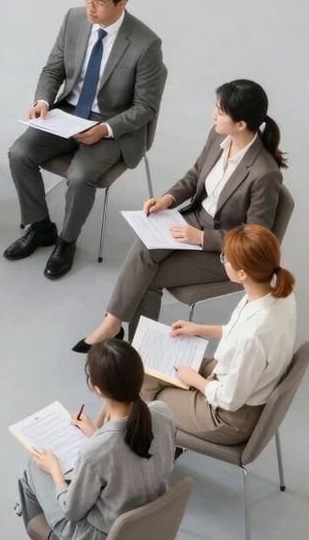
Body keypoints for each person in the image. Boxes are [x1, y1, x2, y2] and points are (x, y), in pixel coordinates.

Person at [76, 79, 287, 351]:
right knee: (144, 248)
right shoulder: (219, 135)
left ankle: (138, 349)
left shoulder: (265, 173)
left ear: (241, 125)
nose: (213, 115)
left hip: (227, 251)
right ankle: (114, 323)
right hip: (194, 219)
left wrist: (201, 237)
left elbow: (256, 238)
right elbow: (196, 174)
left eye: (220, 112)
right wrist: (168, 199)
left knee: (151, 275)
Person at [5, 0, 164, 279]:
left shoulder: (146, 44)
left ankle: (66, 241)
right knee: (19, 153)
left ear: (122, 2)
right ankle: (40, 227)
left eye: (99, 2)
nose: (90, 7)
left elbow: (145, 107)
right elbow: (53, 70)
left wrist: (104, 129)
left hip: (112, 125)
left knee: (79, 176)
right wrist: (42, 102)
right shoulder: (74, 19)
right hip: (67, 113)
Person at [18, 340, 175, 540]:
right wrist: (95, 433)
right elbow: (133, 458)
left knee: (33, 468)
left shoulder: (97, 451)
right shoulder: (163, 413)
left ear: (97, 389)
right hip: (150, 532)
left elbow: (72, 510)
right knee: (58, 473)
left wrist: (56, 472)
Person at [142, 225, 296, 445]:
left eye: (226, 258)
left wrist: (193, 380)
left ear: (242, 273)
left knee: (149, 395)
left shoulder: (252, 337)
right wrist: (198, 328)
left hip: (227, 417)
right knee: (145, 370)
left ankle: (134, 454)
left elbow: (229, 399)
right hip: (231, 377)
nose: (223, 261)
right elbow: (237, 335)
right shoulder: (277, 295)